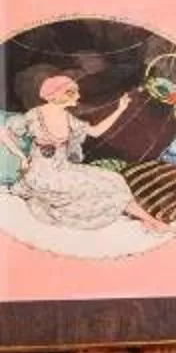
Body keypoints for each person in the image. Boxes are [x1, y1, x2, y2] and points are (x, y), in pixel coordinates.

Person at [2, 74, 161, 234]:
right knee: (97, 188)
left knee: (115, 179)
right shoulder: (34, 116)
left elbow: (96, 131)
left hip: (63, 169)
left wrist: (120, 108)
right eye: (72, 92)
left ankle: (148, 220)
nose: (78, 96)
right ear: (56, 95)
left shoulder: (68, 118)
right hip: (42, 175)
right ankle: (151, 221)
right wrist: (22, 158)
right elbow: (4, 133)